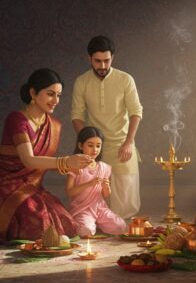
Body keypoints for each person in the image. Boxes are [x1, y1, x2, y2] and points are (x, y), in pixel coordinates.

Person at [0, 68, 92, 241]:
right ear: (33, 93)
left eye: (58, 95)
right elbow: (28, 160)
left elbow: (45, 164)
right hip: (8, 186)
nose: (56, 100)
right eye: (50, 94)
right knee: (37, 224)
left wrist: (72, 166)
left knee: (64, 221)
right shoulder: (17, 120)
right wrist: (65, 162)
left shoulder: (54, 125)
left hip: (33, 187)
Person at [71, 35, 143, 219]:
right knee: (92, 194)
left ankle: (121, 231)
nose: (102, 66)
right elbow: (77, 116)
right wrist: (87, 144)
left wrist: (129, 142)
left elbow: (136, 112)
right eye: (97, 61)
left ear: (113, 58)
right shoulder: (82, 82)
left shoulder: (125, 79)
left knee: (126, 203)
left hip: (122, 145)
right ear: (89, 59)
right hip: (96, 148)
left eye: (106, 60)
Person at [66, 126, 126, 237]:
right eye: (90, 145)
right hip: (82, 209)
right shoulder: (75, 166)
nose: (95, 150)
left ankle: (96, 222)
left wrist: (106, 187)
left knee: (120, 226)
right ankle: (87, 223)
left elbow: (106, 195)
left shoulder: (104, 167)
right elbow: (69, 192)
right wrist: (89, 184)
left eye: (98, 146)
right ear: (80, 145)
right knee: (86, 231)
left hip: (99, 208)